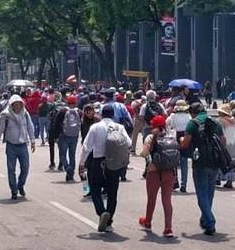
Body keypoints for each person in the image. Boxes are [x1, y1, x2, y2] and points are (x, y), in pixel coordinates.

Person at [79, 103, 130, 233]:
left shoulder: (95, 127)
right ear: (113, 115)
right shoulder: (119, 127)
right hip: (114, 163)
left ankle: (102, 213)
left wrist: (81, 163)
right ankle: (109, 220)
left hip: (97, 162)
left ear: (101, 114)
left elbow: (86, 147)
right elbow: (128, 143)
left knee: (95, 190)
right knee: (112, 193)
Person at [181, 102, 224, 235]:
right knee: (209, 193)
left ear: (193, 112)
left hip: (200, 161)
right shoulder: (215, 122)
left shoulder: (193, 123)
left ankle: (210, 221)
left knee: (201, 194)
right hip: (214, 161)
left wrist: (181, 139)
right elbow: (223, 141)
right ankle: (205, 219)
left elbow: (185, 144)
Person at [137, 114, 178, 237]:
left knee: (152, 199)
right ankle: (168, 228)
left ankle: (148, 222)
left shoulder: (150, 137)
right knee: (167, 200)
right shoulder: (171, 136)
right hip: (169, 172)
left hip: (153, 172)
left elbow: (144, 153)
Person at [0, 95, 36, 200]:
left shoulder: (25, 114)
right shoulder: (5, 115)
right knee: (11, 169)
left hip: (23, 145)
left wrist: (32, 141)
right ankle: (14, 190)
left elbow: (30, 127)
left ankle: (20, 185)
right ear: (12, 105)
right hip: (11, 146)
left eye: (19, 104)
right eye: (15, 104)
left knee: (25, 168)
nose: (18, 106)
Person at [49, 95, 83, 182]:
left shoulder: (62, 111)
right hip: (74, 136)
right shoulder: (79, 112)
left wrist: (55, 136)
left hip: (63, 135)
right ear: (75, 103)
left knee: (62, 154)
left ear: (67, 102)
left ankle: (68, 168)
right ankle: (70, 175)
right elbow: (81, 124)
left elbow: (56, 124)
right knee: (72, 155)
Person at [168, 101, 192, 193]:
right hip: (185, 138)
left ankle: (175, 181)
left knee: (174, 162)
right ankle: (184, 184)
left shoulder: (173, 116)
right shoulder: (188, 117)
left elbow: (169, 125)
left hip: (175, 138)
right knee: (184, 162)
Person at [216, 105, 235, 189]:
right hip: (233, 144)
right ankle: (229, 181)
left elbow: (219, 133)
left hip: (225, 144)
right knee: (232, 163)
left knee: (220, 161)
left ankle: (218, 179)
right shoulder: (233, 121)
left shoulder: (220, 121)